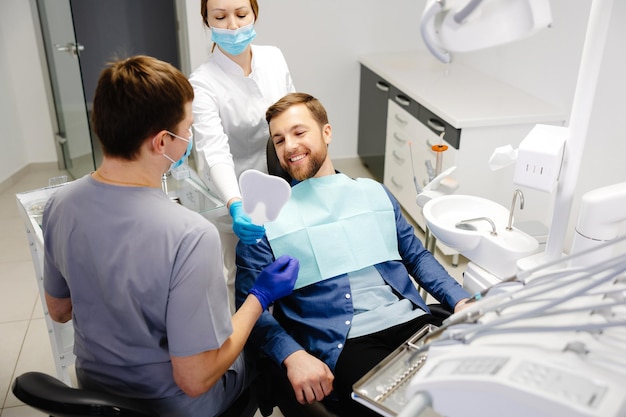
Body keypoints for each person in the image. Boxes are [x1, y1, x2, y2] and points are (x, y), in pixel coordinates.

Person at [42, 55, 299, 417]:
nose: (190, 137)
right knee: (257, 350)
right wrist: (259, 296)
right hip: (172, 406)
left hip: (96, 394)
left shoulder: (60, 203)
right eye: (188, 128)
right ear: (163, 141)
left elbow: (60, 309)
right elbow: (194, 379)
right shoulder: (191, 235)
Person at [235, 93, 471, 417]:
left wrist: (460, 300)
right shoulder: (263, 222)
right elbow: (250, 309)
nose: (289, 146)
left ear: (327, 133)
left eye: (299, 132)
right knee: (408, 408)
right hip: (348, 341)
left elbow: (416, 256)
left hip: (413, 320)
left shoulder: (372, 193)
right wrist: (291, 354)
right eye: (279, 140)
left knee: (475, 390)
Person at [189, 0, 296, 312]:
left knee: (285, 261)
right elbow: (214, 150)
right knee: (240, 276)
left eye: (241, 14)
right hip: (232, 193)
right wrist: (236, 204)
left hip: (281, 182)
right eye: (220, 17)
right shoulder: (203, 82)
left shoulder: (273, 57)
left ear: (255, 13)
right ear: (207, 21)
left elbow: (293, 114)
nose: (233, 26)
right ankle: (240, 353)